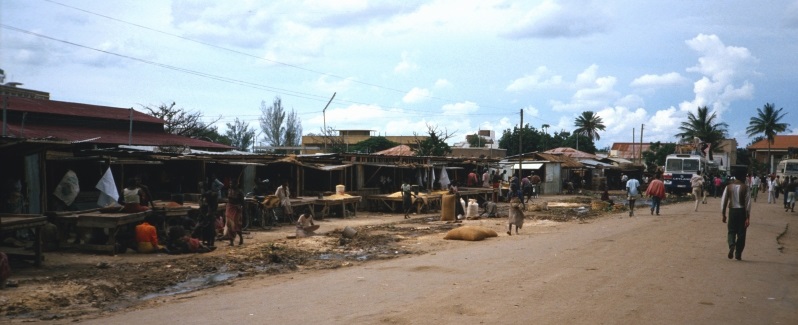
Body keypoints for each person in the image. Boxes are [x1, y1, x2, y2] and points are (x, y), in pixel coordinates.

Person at [721, 170, 751, 261]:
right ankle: (738, 254)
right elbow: (748, 203)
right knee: (741, 233)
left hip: (732, 211)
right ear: (743, 178)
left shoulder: (728, 187)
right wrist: (748, 217)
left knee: (731, 231)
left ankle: (731, 244)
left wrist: (723, 214)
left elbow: (724, 201)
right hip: (742, 211)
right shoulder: (745, 188)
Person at [225, 179, 245, 246]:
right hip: (229, 208)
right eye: (230, 183)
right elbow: (228, 199)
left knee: (236, 225)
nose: (230, 185)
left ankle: (241, 238)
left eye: (232, 183)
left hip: (236, 209)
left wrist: (240, 207)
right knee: (229, 225)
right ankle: (231, 241)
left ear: (236, 184)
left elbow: (243, 202)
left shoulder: (240, 192)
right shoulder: (229, 190)